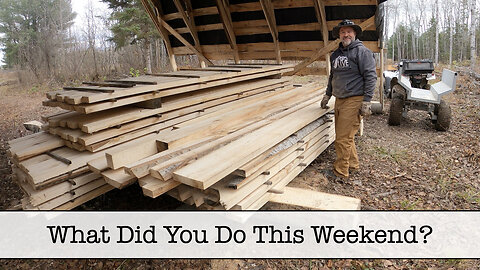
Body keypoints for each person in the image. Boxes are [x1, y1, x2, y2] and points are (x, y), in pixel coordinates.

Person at [320, 19, 377, 180]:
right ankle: (352, 165)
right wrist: (327, 94)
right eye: (343, 32)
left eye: (349, 32)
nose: (346, 34)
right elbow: (333, 76)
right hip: (340, 99)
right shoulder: (336, 54)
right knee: (345, 135)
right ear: (339, 35)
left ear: (355, 34)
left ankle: (340, 172)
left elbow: (371, 77)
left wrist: (367, 101)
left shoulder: (362, 52)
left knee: (342, 138)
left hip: (354, 99)